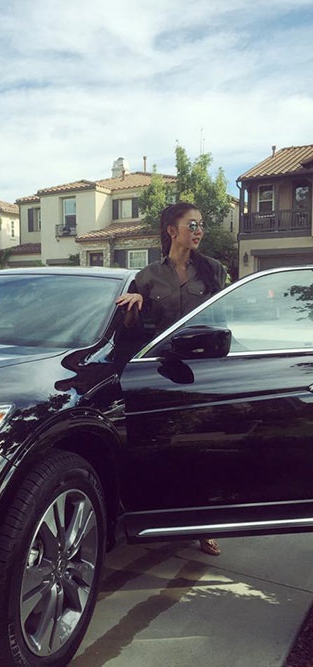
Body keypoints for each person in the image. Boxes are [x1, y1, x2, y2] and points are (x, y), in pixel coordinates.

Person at [116, 201, 227, 557]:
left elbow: (224, 318)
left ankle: (204, 527)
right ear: (171, 231)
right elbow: (132, 331)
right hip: (164, 374)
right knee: (168, 452)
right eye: (192, 224)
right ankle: (165, 518)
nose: (199, 230)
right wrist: (135, 301)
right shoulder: (148, 276)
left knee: (205, 451)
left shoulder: (213, 270)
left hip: (204, 372)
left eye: (201, 224)